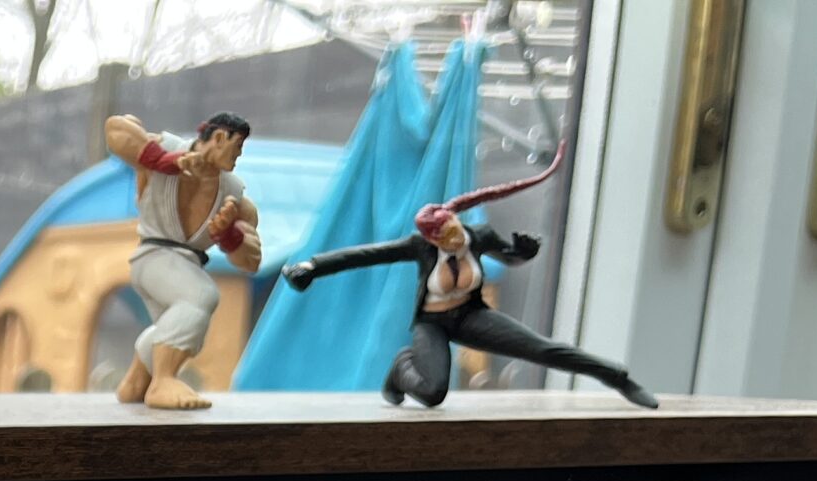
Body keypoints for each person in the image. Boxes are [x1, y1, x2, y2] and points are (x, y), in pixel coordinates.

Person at [280, 147, 655, 409]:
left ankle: (619, 378)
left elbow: (508, 257)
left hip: (472, 316)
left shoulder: (478, 236)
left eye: (454, 230)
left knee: (543, 348)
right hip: (433, 324)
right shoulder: (420, 247)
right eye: (443, 238)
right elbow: (365, 255)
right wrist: (312, 266)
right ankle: (400, 369)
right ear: (431, 239)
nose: (453, 240)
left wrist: (523, 252)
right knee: (432, 392)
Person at [104, 110, 261, 412]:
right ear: (219, 137)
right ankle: (162, 381)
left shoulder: (235, 198)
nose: (239, 155)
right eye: (237, 146)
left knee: (177, 322)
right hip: (152, 256)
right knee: (200, 296)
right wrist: (164, 161)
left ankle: (137, 380)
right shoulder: (166, 147)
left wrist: (229, 236)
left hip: (184, 265)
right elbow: (116, 130)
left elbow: (251, 261)